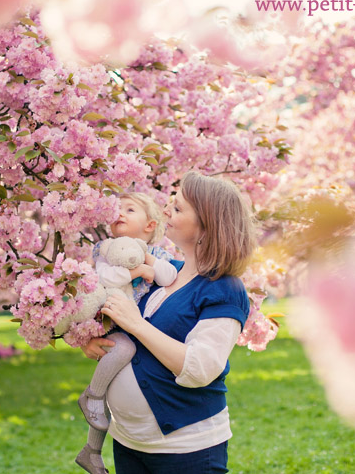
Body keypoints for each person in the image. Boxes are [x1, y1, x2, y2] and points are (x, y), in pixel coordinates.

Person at [83, 172, 255, 474]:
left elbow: (201, 368)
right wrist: (94, 341)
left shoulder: (224, 288)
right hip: (129, 442)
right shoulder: (162, 274)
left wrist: (137, 325)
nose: (166, 213)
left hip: (186, 449)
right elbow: (125, 330)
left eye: (177, 208)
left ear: (206, 224)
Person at [77, 192, 178, 474]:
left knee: (114, 388)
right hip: (113, 324)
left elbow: (169, 277)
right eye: (116, 208)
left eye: (130, 209)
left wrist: (148, 262)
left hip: (138, 326)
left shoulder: (156, 252)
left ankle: (91, 451)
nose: (119, 212)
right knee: (119, 362)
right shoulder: (104, 249)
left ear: (149, 226)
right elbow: (102, 279)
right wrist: (136, 272)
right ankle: (92, 399)